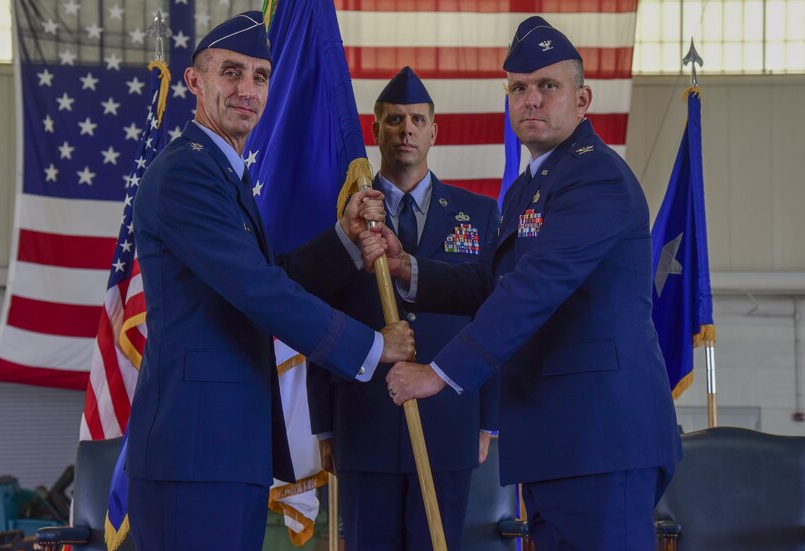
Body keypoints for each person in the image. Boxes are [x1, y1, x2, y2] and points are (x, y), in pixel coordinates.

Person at [364, 17, 682, 551]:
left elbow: (532, 288)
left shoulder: (596, 177)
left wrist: (438, 373)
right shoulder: (528, 189)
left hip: (601, 439)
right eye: (518, 88)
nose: (530, 100)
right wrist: (407, 269)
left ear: (582, 100)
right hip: (552, 440)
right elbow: (492, 279)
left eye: (547, 86)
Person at [127, 12, 414, 551]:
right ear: (195, 82)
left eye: (260, 77)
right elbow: (259, 290)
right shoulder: (186, 173)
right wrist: (372, 347)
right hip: (193, 452)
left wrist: (344, 241)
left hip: (226, 448)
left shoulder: (225, 172)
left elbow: (262, 277)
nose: (247, 90)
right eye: (231, 73)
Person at [305, 66, 500, 550]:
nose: (405, 130)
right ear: (375, 130)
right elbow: (318, 317)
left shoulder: (478, 214)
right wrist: (324, 424)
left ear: (434, 131)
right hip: (364, 420)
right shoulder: (345, 216)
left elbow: (495, 317)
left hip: (449, 419)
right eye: (393, 120)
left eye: (416, 119)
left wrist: (487, 418)